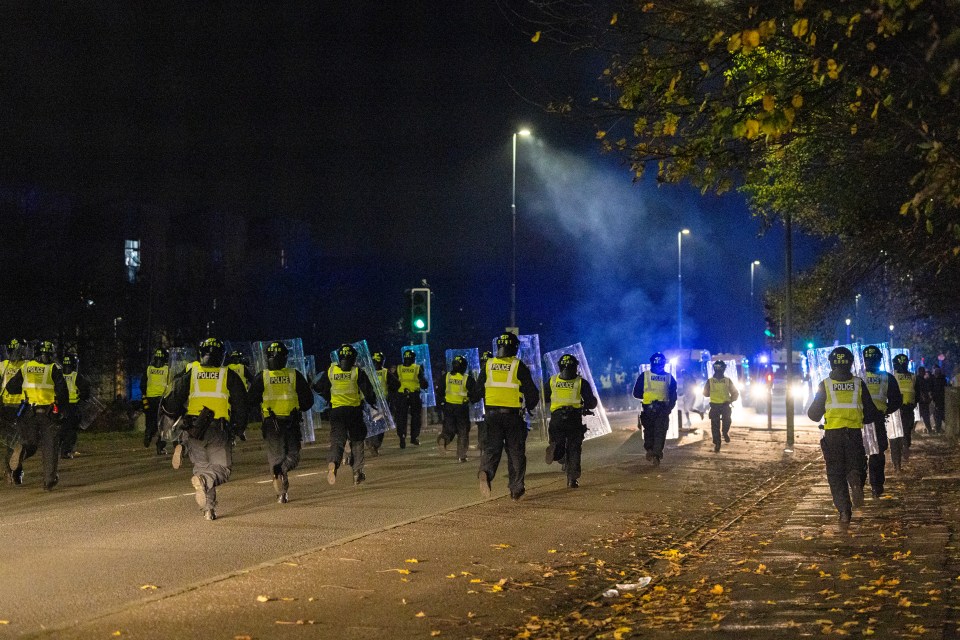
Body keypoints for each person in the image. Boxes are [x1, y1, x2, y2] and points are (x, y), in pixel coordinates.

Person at [160, 337, 248, 521]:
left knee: (202, 467)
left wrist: (173, 419)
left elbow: (173, 401)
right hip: (217, 429)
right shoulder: (228, 375)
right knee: (222, 470)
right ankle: (204, 482)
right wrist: (240, 428)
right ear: (221, 356)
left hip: (193, 429)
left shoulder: (191, 374)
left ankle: (209, 509)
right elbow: (241, 404)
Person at [806, 347, 882, 525]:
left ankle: (844, 512)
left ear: (832, 363)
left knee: (835, 475)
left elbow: (813, 414)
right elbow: (870, 414)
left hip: (833, 437)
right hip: (854, 434)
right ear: (851, 363)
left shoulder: (825, 385)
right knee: (857, 466)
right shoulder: (858, 383)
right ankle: (855, 479)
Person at [470, 333, 540, 500]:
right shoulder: (518, 366)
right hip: (513, 417)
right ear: (515, 348)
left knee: (492, 449)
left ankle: (485, 472)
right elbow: (532, 393)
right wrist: (529, 406)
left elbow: (476, 393)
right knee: (516, 452)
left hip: (492, 416)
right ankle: (516, 488)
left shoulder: (488, 365)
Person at [247, 341, 314, 504]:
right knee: (293, 456)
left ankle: (281, 487)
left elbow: (250, 400)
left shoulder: (262, 377)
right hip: (290, 422)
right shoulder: (294, 374)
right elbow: (307, 401)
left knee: (276, 457)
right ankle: (282, 484)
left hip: (272, 424)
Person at [3, 340, 70, 490]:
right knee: (50, 446)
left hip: (28, 412)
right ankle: (49, 480)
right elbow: (63, 393)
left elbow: (11, 387)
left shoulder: (26, 367)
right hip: (49, 413)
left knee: (31, 443)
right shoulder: (54, 368)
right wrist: (63, 409)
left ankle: (22, 451)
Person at [314, 344, 377, 485]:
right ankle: (357, 473)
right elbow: (369, 392)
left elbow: (319, 388)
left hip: (336, 412)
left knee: (337, 440)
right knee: (357, 441)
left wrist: (327, 398)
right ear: (354, 358)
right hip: (354, 412)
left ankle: (333, 463)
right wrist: (373, 402)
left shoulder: (331, 371)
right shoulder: (357, 372)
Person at [544, 354, 599, 488]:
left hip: (557, 419)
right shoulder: (581, 382)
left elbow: (544, 398)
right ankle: (572, 479)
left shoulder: (552, 381)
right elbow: (591, 403)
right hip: (574, 419)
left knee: (557, 443)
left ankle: (558, 453)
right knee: (574, 448)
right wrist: (585, 405)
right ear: (575, 367)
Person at [861, 345, 902, 495]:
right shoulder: (887, 377)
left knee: (862, 454)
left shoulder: (857, 376)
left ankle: (860, 484)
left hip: (859, 421)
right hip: (876, 419)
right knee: (877, 454)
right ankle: (876, 486)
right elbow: (896, 400)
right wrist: (885, 410)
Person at [632, 352, 678, 466]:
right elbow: (673, 396)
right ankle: (655, 454)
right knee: (659, 432)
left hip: (650, 409)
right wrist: (668, 408)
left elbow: (637, 393)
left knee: (650, 431)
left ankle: (652, 451)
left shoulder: (645, 375)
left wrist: (648, 397)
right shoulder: (669, 377)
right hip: (661, 409)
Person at [437, 355, 476, 462]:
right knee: (463, 431)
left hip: (448, 407)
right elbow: (475, 393)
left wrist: (442, 402)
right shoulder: (466, 378)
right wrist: (471, 399)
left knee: (449, 429)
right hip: (461, 408)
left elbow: (439, 390)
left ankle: (444, 439)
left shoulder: (447, 376)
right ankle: (461, 455)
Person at [1, 339, 27, 484]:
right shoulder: (7, 365)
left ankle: (12, 472)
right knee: (16, 442)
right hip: (14, 408)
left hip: (14, 407)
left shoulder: (6, 365)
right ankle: (15, 472)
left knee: (13, 443)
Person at [59, 353, 91, 459]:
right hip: (72, 407)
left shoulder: (58, 375)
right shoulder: (76, 377)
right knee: (71, 431)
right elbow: (85, 392)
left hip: (59, 406)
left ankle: (55, 449)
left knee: (61, 429)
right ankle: (66, 451)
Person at [702, 360, 740, 453]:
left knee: (720, 424)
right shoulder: (719, 381)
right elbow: (735, 393)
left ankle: (722, 436)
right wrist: (731, 399)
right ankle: (719, 440)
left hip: (721, 405)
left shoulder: (716, 381)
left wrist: (730, 400)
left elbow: (705, 394)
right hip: (719, 406)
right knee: (719, 424)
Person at [139, 348, 171, 455]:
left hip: (149, 399)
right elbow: (172, 384)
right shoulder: (168, 369)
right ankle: (160, 445)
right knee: (164, 424)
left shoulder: (149, 369)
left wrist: (145, 395)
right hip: (162, 400)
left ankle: (148, 434)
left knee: (150, 420)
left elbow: (142, 384)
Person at [394, 348, 428, 447]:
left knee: (401, 417)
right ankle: (414, 438)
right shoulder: (417, 368)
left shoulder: (399, 368)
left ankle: (402, 437)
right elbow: (424, 384)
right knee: (416, 417)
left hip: (401, 395)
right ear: (414, 359)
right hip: (414, 395)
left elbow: (394, 382)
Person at [367, 351, 397, 456]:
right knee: (380, 425)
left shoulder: (367, 371)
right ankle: (375, 445)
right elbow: (396, 384)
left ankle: (370, 441)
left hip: (369, 401)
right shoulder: (385, 372)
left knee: (370, 424)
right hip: (381, 401)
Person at [915, 366, 933, 434]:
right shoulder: (919, 379)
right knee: (920, 417)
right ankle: (929, 430)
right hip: (921, 401)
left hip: (922, 401)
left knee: (924, 417)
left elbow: (926, 390)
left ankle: (930, 430)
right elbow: (920, 390)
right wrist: (924, 398)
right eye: (923, 371)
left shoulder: (922, 379)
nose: (924, 373)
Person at [931, 365, 947, 434]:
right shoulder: (943, 379)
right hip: (942, 400)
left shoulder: (937, 380)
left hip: (939, 400)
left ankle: (938, 430)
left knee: (938, 416)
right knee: (941, 415)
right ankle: (940, 429)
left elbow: (936, 391)